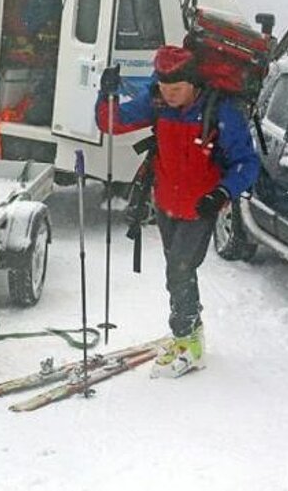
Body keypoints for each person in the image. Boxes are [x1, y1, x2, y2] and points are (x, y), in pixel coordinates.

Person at [96, 46, 258, 378]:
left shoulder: (220, 112)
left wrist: (223, 193)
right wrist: (106, 93)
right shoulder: (156, 102)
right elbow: (112, 123)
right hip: (166, 203)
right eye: (164, 87)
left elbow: (247, 163)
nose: (169, 95)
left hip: (201, 206)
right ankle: (191, 329)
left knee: (180, 270)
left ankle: (188, 341)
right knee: (178, 270)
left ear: (194, 83)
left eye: (177, 89)